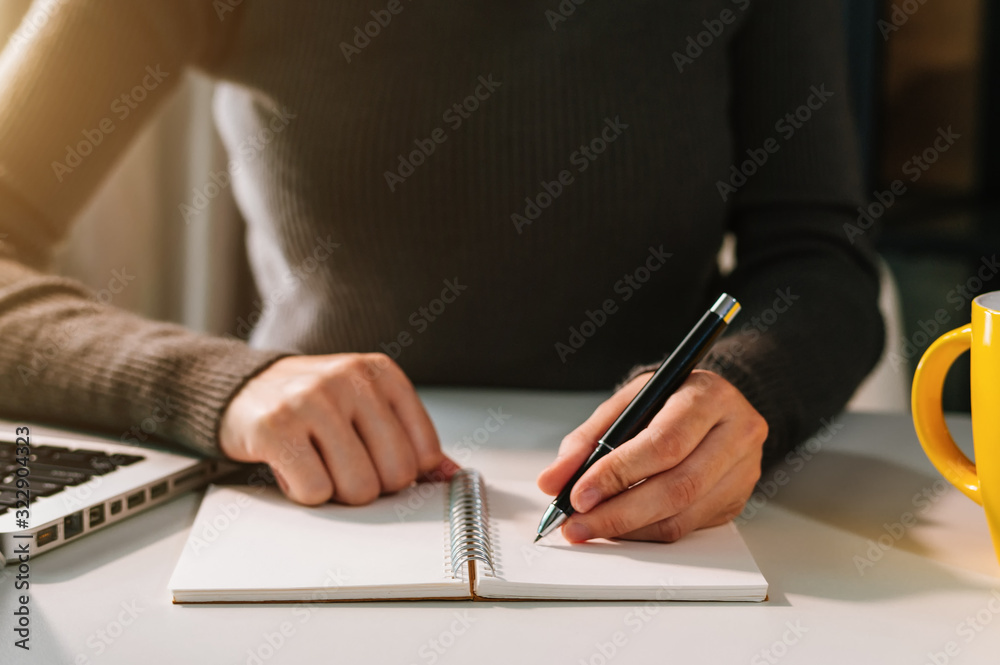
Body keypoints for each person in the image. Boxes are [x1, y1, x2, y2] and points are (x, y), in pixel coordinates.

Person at [0, 0, 883, 544]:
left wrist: (745, 385)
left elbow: (819, 259)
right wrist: (221, 386)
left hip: (674, 524)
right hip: (304, 505)